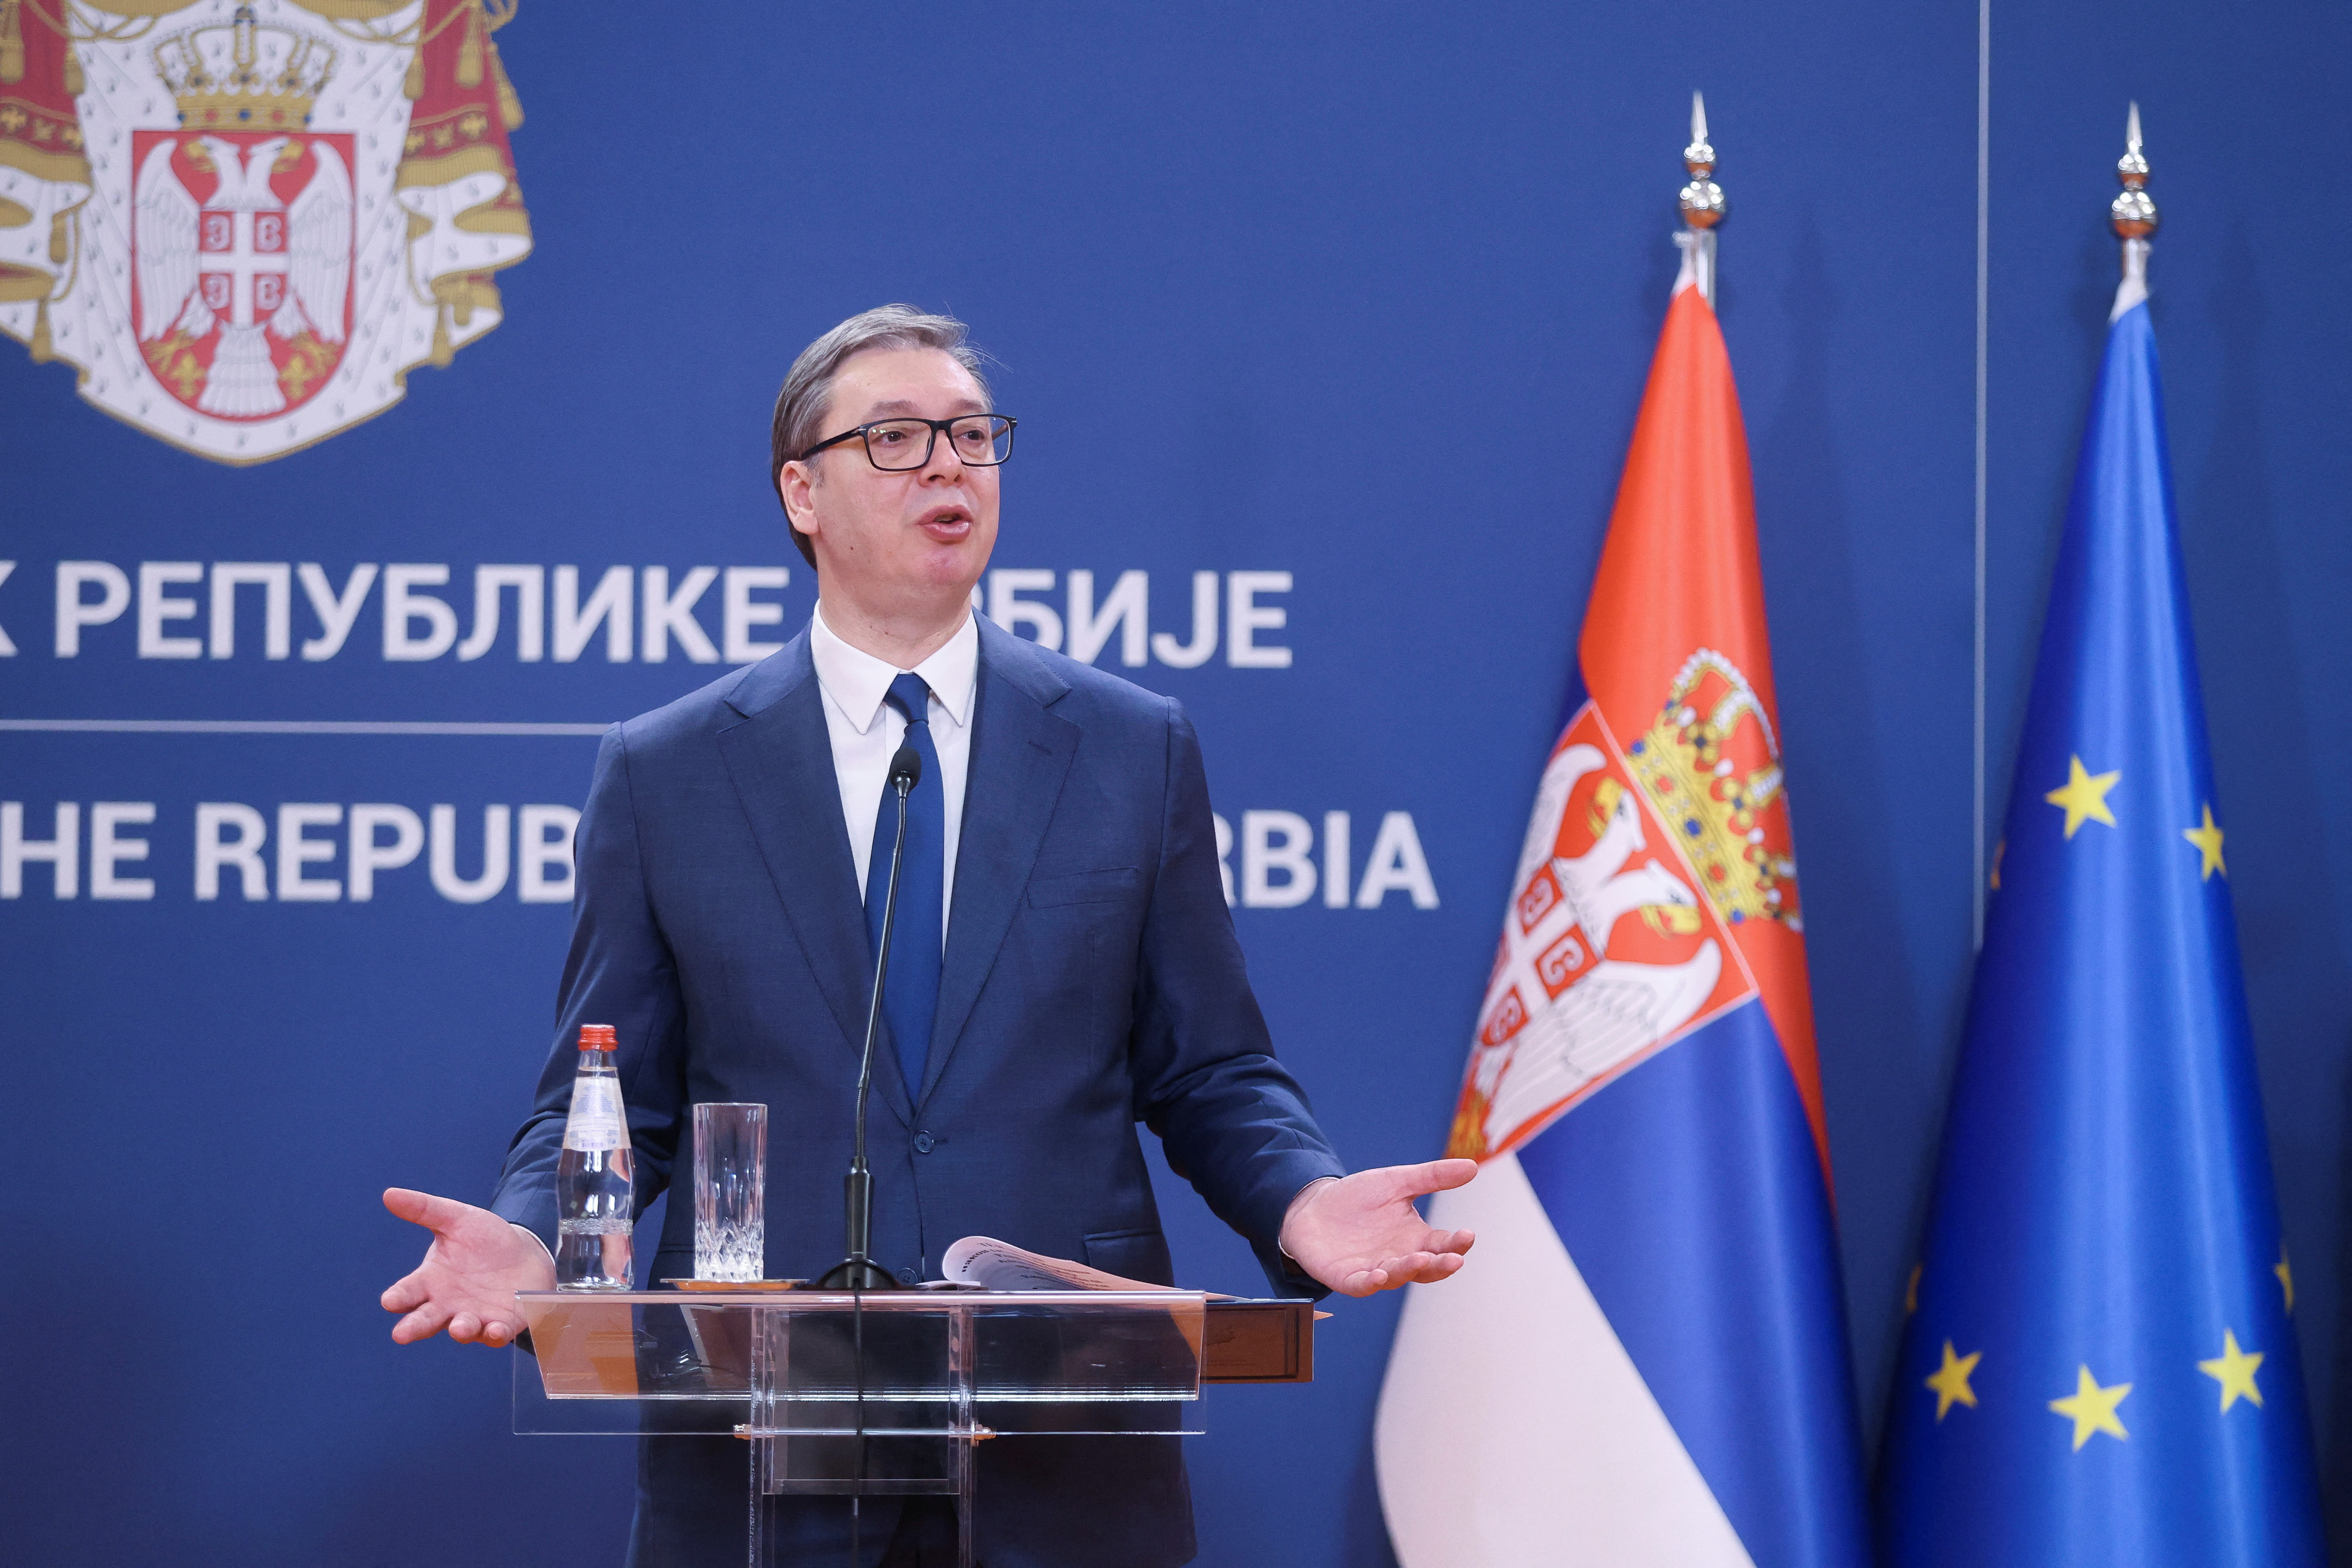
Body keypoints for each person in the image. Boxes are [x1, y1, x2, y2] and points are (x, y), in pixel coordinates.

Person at [380, 305, 1475, 1566]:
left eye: (970, 434)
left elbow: (1210, 1066)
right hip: (764, 1440)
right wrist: (537, 1229)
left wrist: (1299, 1197)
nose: (949, 463)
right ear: (802, 491)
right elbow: (609, 1091)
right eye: (895, 437)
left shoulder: (1130, 749)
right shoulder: (666, 772)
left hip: (1060, 1438)